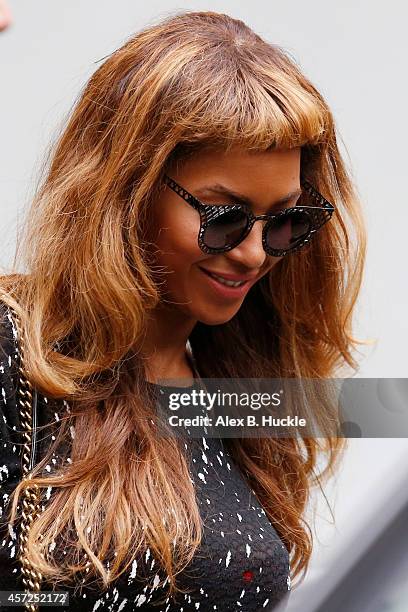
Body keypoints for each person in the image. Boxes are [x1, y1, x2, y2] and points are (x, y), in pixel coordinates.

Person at [0, 10, 366, 612]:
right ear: (126, 192)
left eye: (285, 221)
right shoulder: (21, 347)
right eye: (224, 217)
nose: (255, 253)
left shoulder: (233, 389)